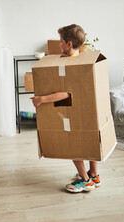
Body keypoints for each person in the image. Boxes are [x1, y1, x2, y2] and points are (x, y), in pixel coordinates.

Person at [31, 24, 101, 193]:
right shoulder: (84, 60)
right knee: (90, 142)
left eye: (61, 42)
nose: (59, 45)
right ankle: (94, 175)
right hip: (89, 112)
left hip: (72, 113)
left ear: (69, 44)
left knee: (73, 146)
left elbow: (67, 93)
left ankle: (85, 180)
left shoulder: (69, 66)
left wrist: (42, 99)